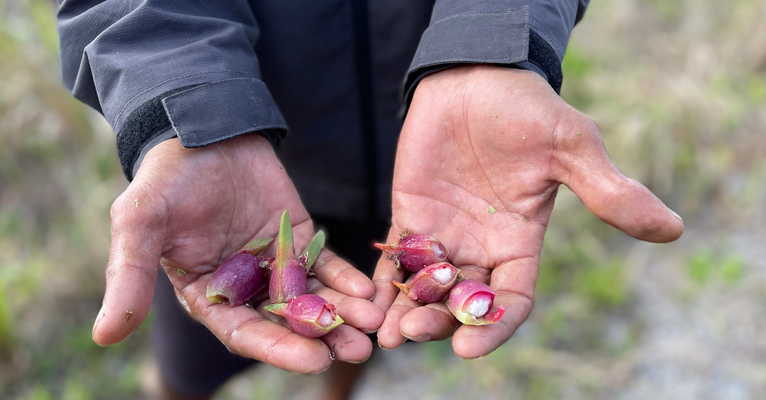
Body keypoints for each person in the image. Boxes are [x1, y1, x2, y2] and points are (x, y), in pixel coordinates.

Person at [57, 0, 683, 399]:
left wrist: (491, 47)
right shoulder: (223, 204)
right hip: (238, 162)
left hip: (429, 171)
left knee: (369, 320)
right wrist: (180, 107)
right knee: (190, 365)